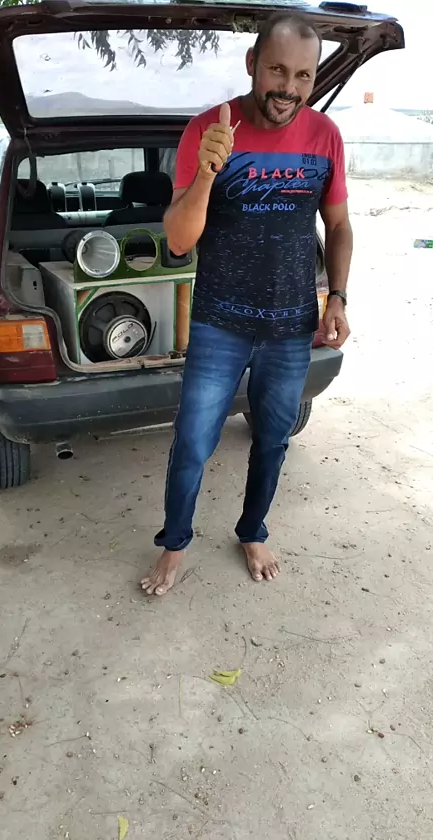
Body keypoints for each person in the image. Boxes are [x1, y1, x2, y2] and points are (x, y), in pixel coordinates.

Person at [141, 12, 352, 596]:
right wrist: (208, 173)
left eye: (303, 76)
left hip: (292, 326)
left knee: (274, 439)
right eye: (278, 70)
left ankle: (252, 531)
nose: (289, 87)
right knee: (193, 442)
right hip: (219, 323)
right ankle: (174, 544)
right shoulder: (209, 129)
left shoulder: (324, 136)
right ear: (253, 64)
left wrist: (337, 296)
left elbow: (338, 226)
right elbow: (179, 240)